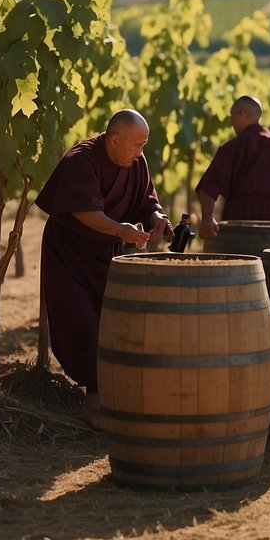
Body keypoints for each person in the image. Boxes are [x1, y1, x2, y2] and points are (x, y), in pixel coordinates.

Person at [36, 109, 171, 429]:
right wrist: (120, 229)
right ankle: (94, 404)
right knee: (83, 324)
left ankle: (107, 397)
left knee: (109, 322)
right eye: (137, 145)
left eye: (144, 146)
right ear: (114, 140)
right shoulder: (80, 161)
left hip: (106, 256)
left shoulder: (135, 162)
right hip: (68, 256)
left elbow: (146, 198)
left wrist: (156, 215)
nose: (142, 153)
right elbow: (84, 211)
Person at [195, 94, 270, 239]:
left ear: (242, 115)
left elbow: (208, 188)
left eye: (232, 116)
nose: (230, 121)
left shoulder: (231, 148)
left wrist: (207, 219)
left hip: (238, 229)